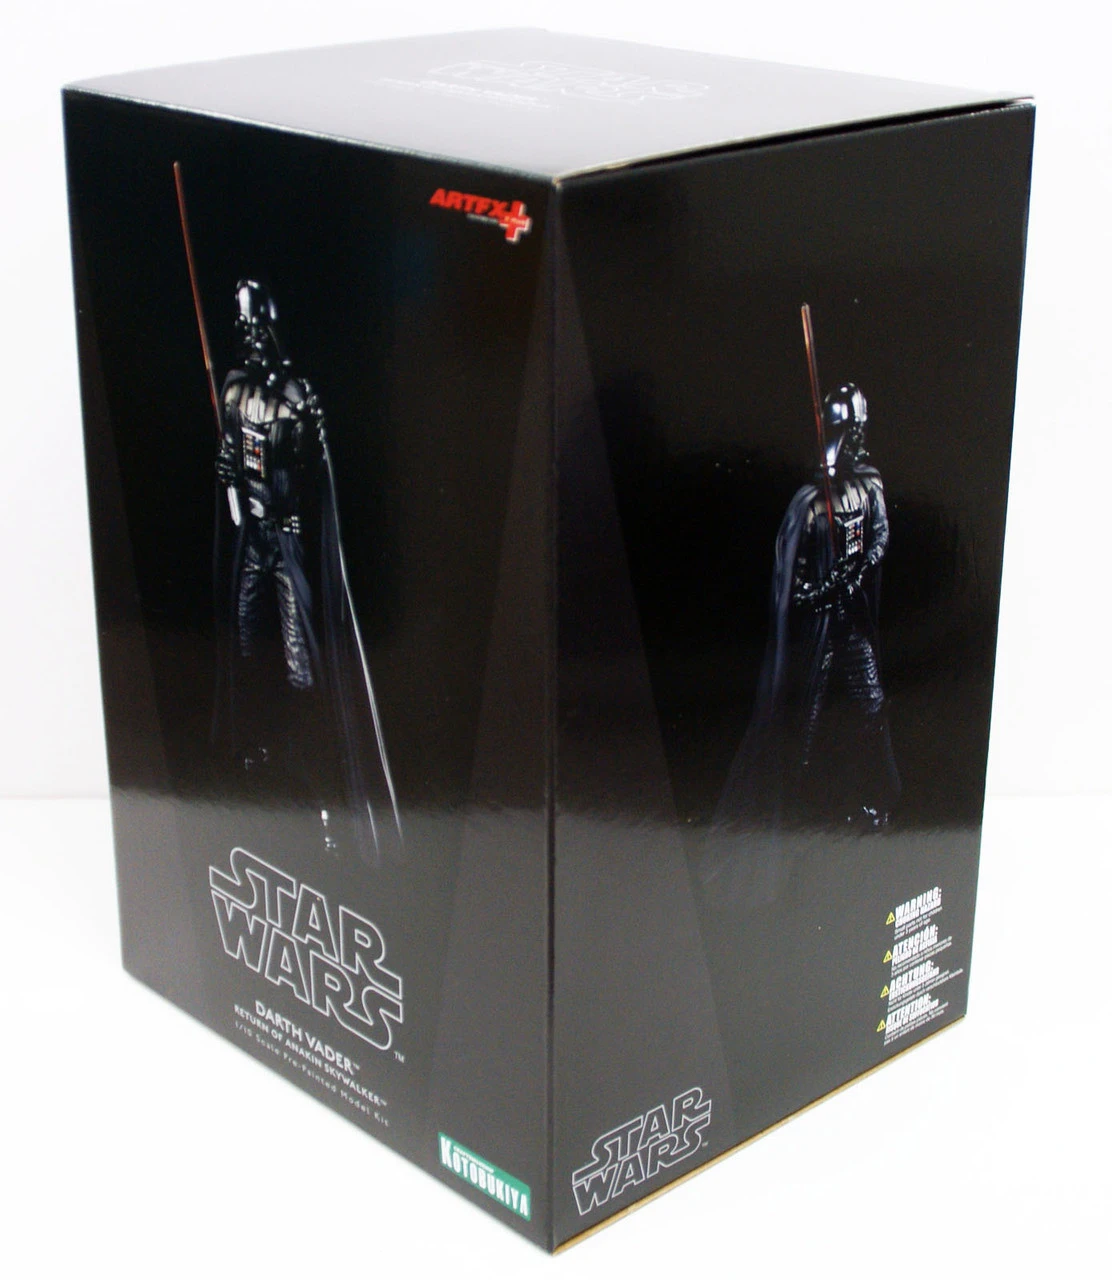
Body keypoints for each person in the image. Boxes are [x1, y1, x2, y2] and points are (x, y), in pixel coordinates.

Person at [214, 280, 401, 861]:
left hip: (288, 541)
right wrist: (229, 472)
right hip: (254, 538)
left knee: (302, 666)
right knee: (249, 646)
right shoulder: (235, 390)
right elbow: (235, 463)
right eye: (243, 325)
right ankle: (261, 762)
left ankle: (321, 788)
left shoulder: (297, 397)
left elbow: (315, 477)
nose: (250, 336)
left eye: (257, 325)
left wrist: (301, 447)